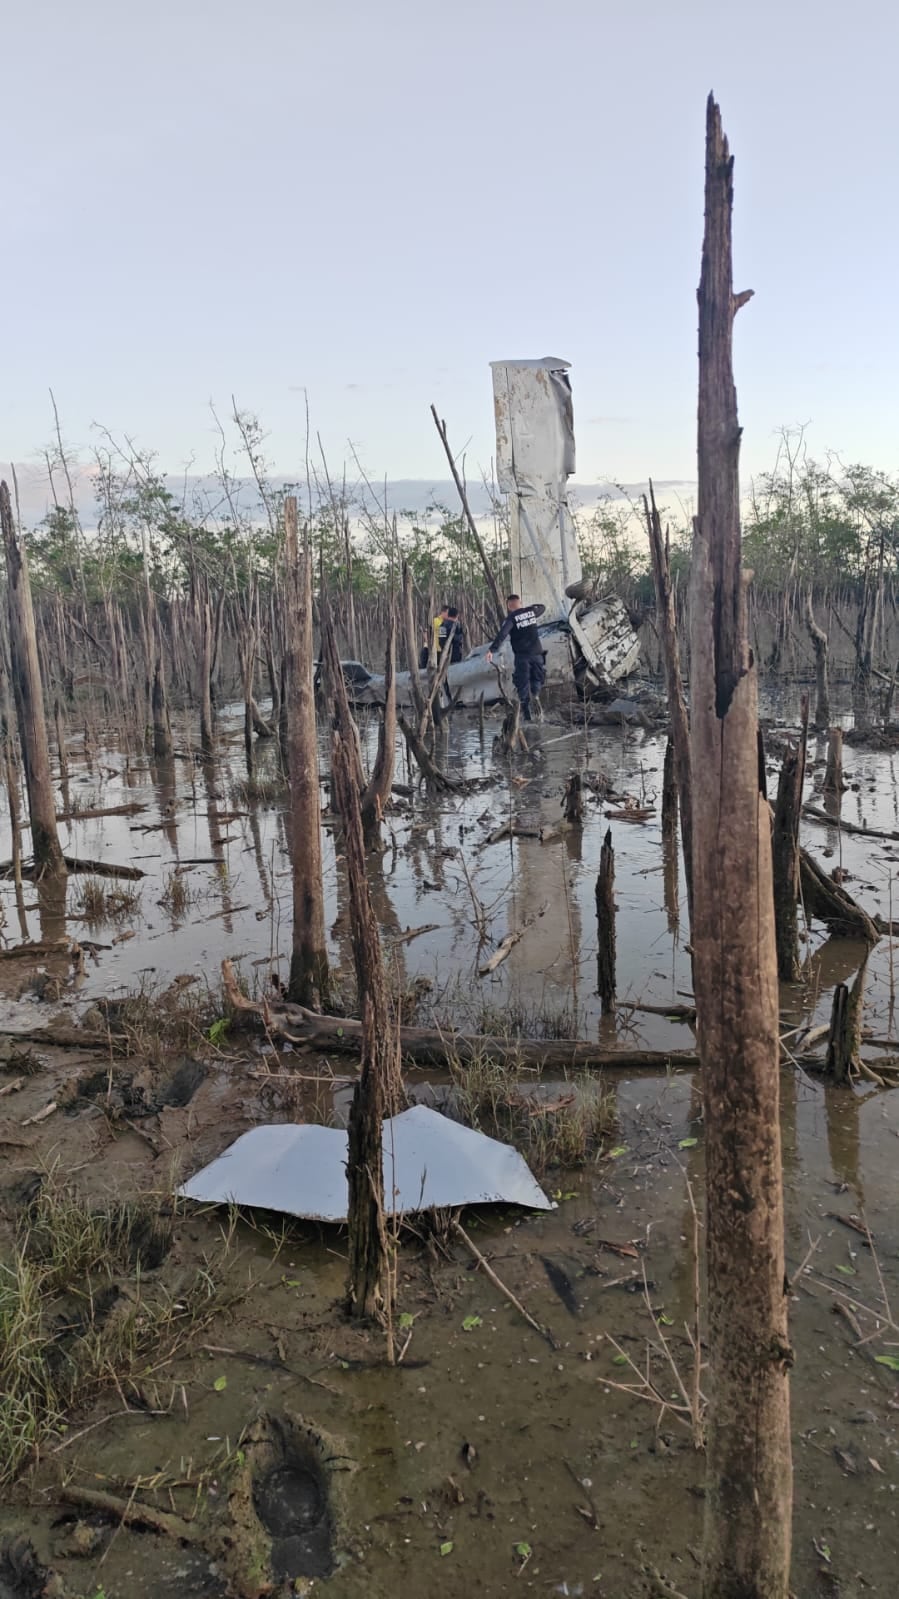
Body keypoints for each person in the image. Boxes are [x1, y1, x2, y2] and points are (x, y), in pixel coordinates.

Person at [487, 594, 547, 720]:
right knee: (537, 678)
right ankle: (535, 695)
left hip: (522, 657)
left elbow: (503, 634)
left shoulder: (511, 618)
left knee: (523, 684)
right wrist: (529, 608)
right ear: (520, 602)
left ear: (509, 606)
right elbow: (542, 607)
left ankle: (526, 714)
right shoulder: (531, 612)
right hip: (537, 654)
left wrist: (492, 650)